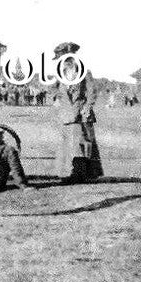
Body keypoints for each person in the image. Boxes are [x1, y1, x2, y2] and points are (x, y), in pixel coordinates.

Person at [54, 42, 103, 184]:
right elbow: (57, 91)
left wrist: (87, 107)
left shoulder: (84, 72)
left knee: (83, 144)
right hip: (67, 115)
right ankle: (69, 173)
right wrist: (58, 100)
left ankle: (83, 175)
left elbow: (92, 91)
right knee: (68, 145)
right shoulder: (60, 74)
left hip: (82, 113)